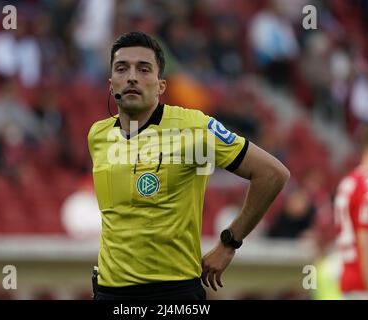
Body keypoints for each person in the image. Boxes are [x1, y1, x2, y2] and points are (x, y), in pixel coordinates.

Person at [87, 31, 290, 300]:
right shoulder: (98, 135)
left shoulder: (194, 128)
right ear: (111, 83)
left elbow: (272, 174)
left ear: (161, 86)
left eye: (144, 69)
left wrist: (230, 242)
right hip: (110, 293)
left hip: (174, 293)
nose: (132, 77)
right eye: (122, 69)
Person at [334, 123, 368, 299]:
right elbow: (365, 240)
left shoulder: (349, 181)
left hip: (348, 278)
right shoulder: (367, 184)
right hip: (364, 284)